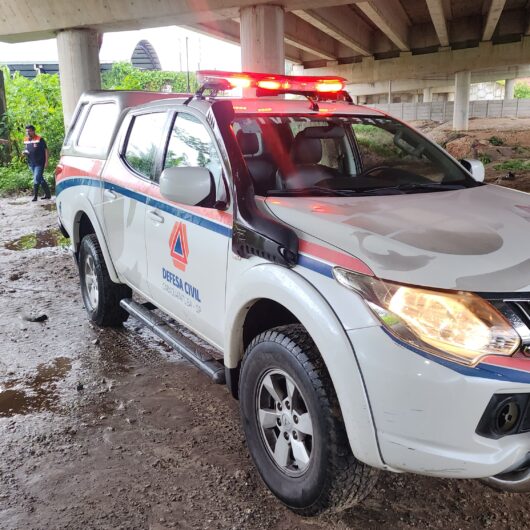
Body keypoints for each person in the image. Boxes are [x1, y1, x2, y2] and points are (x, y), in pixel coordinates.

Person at [23, 125, 51, 201]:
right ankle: (48, 194)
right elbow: (26, 149)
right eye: (26, 131)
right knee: (40, 179)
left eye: (29, 131)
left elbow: (46, 150)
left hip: (40, 163)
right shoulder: (26, 140)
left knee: (36, 179)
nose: (27, 133)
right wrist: (25, 153)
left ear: (33, 131)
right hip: (31, 163)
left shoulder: (40, 139)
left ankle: (35, 197)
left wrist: (46, 162)